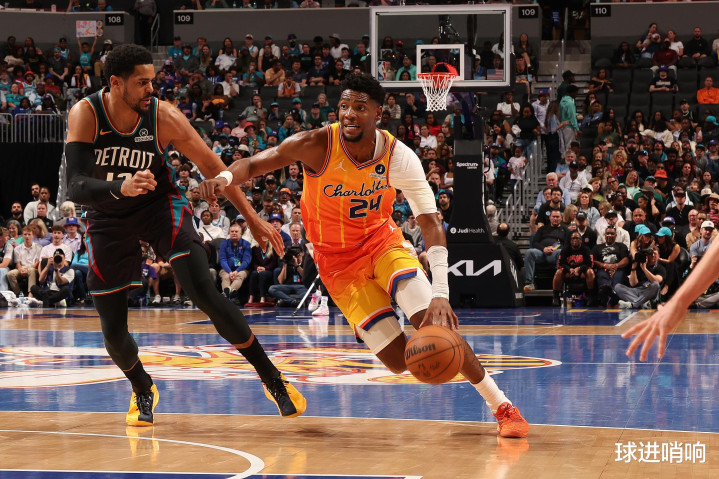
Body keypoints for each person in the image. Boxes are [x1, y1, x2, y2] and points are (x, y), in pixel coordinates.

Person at [199, 72, 529, 438]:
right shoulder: (315, 145)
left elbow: (431, 222)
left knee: (433, 327)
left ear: (378, 114)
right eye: (344, 106)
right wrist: (224, 180)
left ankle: (502, 406)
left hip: (381, 244)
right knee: (399, 362)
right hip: (337, 264)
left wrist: (440, 293)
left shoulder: (399, 157)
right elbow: (253, 164)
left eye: (359, 107)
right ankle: (375, 325)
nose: (349, 114)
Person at [64, 44, 305, 427]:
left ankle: (272, 377)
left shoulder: (164, 116)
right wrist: (121, 187)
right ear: (115, 83)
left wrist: (252, 218)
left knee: (205, 292)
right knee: (112, 329)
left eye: (152, 81)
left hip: (157, 206)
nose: (151, 89)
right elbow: (75, 186)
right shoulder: (86, 114)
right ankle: (142, 385)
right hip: (107, 214)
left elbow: (213, 165)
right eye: (142, 82)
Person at [552, 231, 595, 307]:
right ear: (570, 240)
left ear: (581, 240)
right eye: (573, 238)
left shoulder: (586, 249)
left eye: (577, 238)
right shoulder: (565, 250)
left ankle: (590, 296)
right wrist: (569, 269)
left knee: (590, 272)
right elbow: (560, 264)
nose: (575, 240)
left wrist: (579, 269)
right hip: (569, 273)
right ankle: (555, 296)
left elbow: (590, 263)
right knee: (558, 272)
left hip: (582, 273)